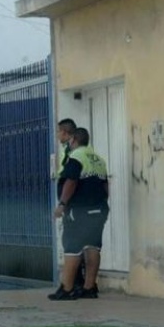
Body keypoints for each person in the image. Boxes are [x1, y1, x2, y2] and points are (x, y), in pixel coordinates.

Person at [49, 127, 109, 300]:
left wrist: (62, 204)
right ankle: (89, 287)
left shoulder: (76, 157)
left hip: (79, 209)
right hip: (99, 209)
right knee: (93, 247)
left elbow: (71, 181)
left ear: (74, 139)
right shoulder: (98, 159)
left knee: (72, 247)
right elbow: (105, 186)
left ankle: (66, 289)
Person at [57, 118, 85, 290]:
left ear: (66, 133)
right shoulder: (69, 151)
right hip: (75, 204)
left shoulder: (73, 153)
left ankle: (73, 283)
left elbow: (71, 179)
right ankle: (77, 282)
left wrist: (62, 203)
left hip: (74, 205)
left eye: (59, 131)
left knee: (72, 243)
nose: (58, 135)